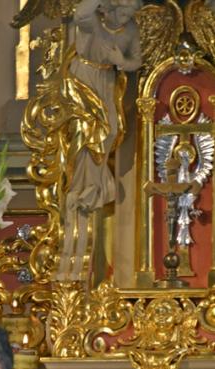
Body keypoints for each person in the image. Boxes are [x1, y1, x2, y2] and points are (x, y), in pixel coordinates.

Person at [58, 0, 142, 280]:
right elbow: (80, 12)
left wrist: (122, 62)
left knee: (110, 132)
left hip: (107, 81)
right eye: (123, 10)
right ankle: (84, 189)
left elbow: (137, 60)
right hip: (83, 80)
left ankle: (95, 184)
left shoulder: (131, 29)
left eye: (131, 12)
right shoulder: (93, 22)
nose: (126, 16)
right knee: (85, 134)